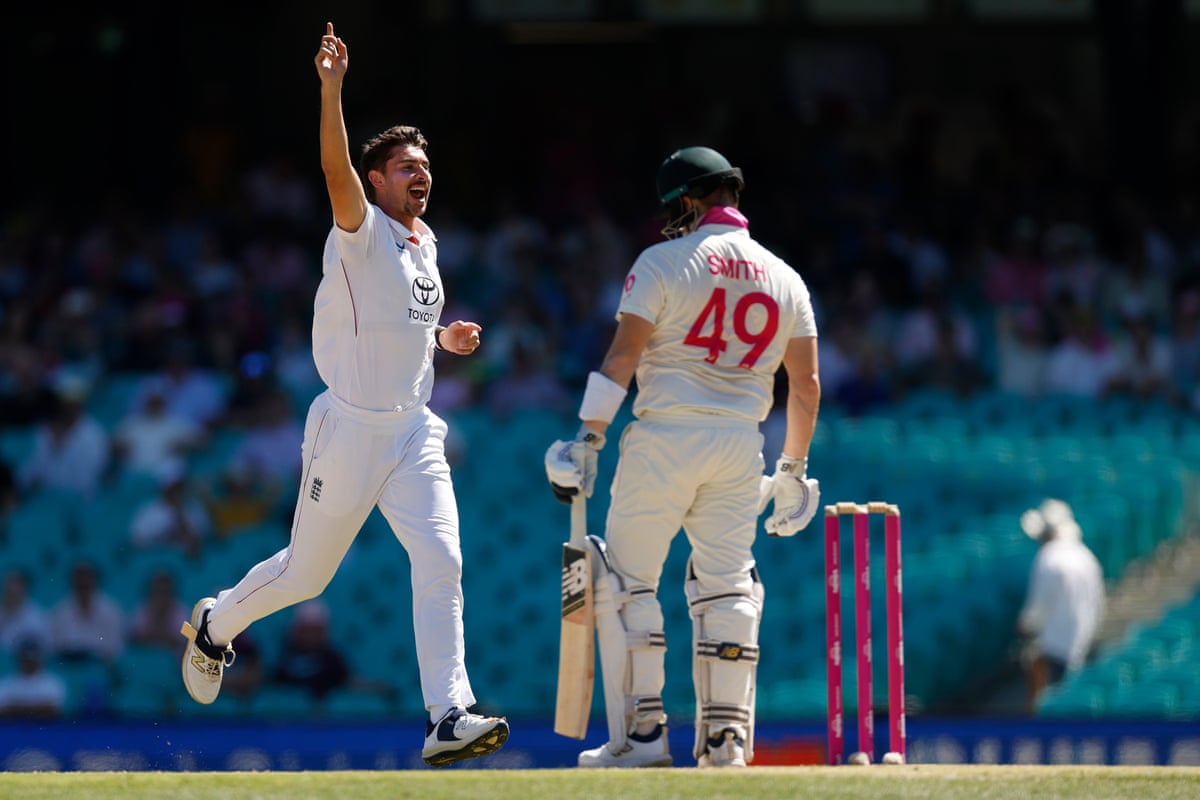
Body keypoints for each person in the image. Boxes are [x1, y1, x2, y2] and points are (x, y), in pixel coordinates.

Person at [179, 22, 507, 769]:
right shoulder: (359, 230)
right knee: (308, 574)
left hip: (414, 431)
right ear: (376, 180)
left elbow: (397, 327)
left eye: (424, 164)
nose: (420, 174)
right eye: (403, 167)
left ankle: (447, 714)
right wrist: (331, 90)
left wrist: (442, 339)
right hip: (349, 430)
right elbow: (334, 173)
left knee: (443, 561)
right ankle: (214, 626)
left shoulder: (425, 247)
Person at [544, 146, 821, 768]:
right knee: (727, 587)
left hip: (666, 438)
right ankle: (727, 743)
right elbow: (804, 386)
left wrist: (588, 436)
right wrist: (793, 472)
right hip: (739, 446)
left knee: (625, 582)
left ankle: (642, 738)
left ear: (690, 201)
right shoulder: (786, 277)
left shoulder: (662, 261)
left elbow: (622, 359)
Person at [1016, 498, 1106, 714]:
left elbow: (1038, 608)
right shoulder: (1086, 557)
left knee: (1046, 702)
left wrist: (1024, 626)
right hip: (1083, 640)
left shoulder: (1048, 559)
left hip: (1054, 645)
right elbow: (1098, 601)